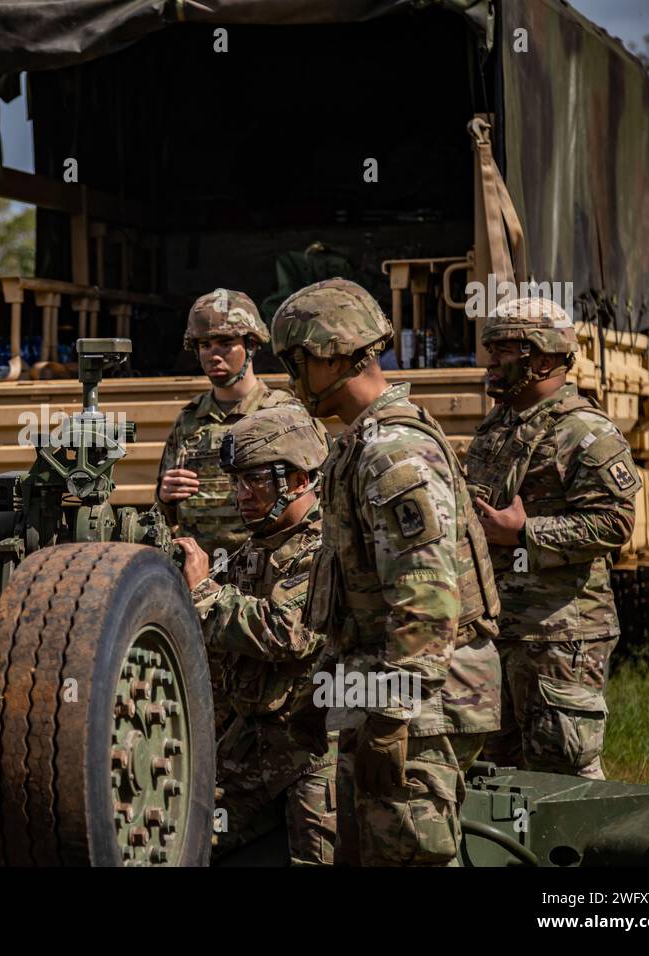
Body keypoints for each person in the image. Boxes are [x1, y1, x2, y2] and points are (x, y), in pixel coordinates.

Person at [272, 278, 500, 866]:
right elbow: (357, 593)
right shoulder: (364, 441)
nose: (292, 379)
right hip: (388, 685)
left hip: (420, 694)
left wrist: (391, 715)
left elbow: (426, 601)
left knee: (412, 857)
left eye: (296, 361)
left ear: (334, 356)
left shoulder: (391, 452)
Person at [466, 296, 639, 779]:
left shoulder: (584, 430)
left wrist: (525, 534)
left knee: (563, 769)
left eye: (504, 348)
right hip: (502, 629)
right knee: (500, 771)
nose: (491, 359)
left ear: (542, 358)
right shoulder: (498, 426)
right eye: (490, 347)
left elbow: (615, 522)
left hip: (562, 631)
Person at [177, 404, 336, 864]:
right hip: (254, 741)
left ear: (300, 481)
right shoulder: (257, 547)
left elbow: (288, 634)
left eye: (257, 481)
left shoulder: (326, 546)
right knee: (182, 835)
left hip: (317, 744)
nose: (242, 495)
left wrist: (204, 592)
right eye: (237, 482)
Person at [156, 289, 300, 727]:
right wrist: (163, 497)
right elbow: (162, 518)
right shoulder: (189, 420)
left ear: (251, 346)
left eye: (225, 344)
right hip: (199, 590)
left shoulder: (284, 413)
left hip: (265, 593)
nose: (213, 354)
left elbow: (311, 501)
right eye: (204, 345)